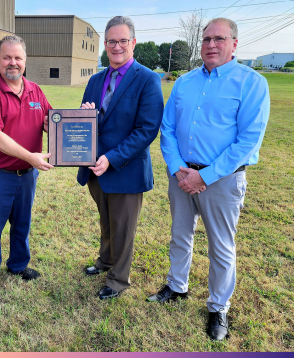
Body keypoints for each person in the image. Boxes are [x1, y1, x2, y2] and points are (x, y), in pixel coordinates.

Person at [148, 18, 270, 341]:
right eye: (206, 39)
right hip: (180, 175)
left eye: (219, 38)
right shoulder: (184, 82)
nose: (211, 45)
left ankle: (218, 308)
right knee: (179, 235)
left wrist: (205, 176)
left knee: (221, 247)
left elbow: (248, 142)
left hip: (223, 180)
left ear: (234, 43)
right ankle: (177, 287)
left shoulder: (251, 83)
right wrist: (178, 170)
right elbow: (168, 130)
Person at [78, 16, 164, 300]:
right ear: (105, 44)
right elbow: (83, 120)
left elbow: (147, 130)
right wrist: (86, 114)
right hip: (94, 169)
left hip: (124, 169)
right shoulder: (95, 79)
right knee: (106, 220)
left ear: (133, 43)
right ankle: (105, 261)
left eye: (122, 41)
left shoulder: (148, 79)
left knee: (123, 227)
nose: (117, 46)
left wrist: (112, 158)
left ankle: (118, 279)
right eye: (111, 41)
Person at [0, 35, 53, 310]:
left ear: (25, 61)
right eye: (7, 57)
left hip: (27, 176)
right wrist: (30, 156)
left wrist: (81, 119)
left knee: (22, 225)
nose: (13, 63)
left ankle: (18, 266)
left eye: (18, 58)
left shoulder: (35, 91)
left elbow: (50, 122)